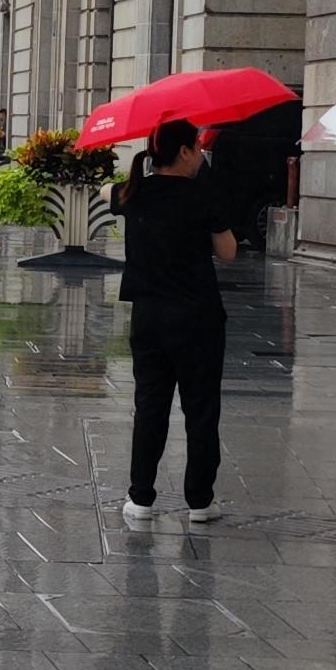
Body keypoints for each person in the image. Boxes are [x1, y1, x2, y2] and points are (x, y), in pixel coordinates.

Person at [116, 118, 240, 523]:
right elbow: (228, 252)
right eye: (197, 146)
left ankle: (140, 498)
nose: (201, 153)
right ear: (184, 152)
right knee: (201, 409)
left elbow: (108, 194)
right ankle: (200, 501)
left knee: (150, 406)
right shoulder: (202, 195)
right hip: (196, 319)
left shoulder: (132, 193)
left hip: (148, 319)